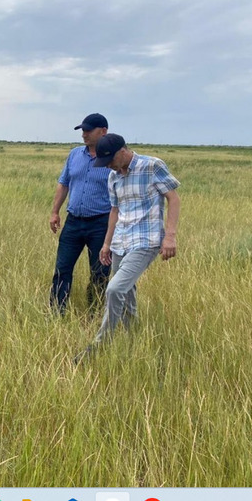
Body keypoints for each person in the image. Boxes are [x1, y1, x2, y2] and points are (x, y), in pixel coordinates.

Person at [74, 133, 181, 364]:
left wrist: (170, 236)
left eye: (110, 160)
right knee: (127, 293)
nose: (109, 166)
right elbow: (115, 210)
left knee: (114, 289)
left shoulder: (152, 165)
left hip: (146, 240)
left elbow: (173, 198)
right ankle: (134, 342)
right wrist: (106, 244)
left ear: (122, 151)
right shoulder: (113, 176)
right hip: (121, 241)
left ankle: (99, 345)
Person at [49, 113, 112, 314]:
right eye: (82, 130)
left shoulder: (112, 158)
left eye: (88, 130)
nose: (84, 134)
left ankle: (95, 312)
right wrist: (54, 212)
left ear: (103, 132)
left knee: (99, 271)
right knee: (62, 268)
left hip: (101, 223)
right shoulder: (75, 154)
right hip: (73, 221)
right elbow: (63, 183)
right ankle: (57, 311)